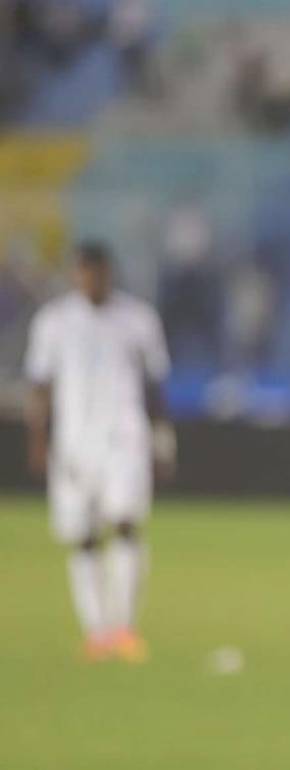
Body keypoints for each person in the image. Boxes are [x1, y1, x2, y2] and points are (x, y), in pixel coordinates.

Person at [24, 240, 175, 663]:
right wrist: (38, 442)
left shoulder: (139, 319)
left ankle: (124, 627)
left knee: (126, 522)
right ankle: (97, 632)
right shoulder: (53, 322)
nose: (92, 280)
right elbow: (40, 385)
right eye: (85, 272)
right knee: (82, 536)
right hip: (73, 444)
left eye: (99, 272)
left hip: (126, 438)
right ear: (76, 274)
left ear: (110, 273)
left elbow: (154, 386)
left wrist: (163, 441)